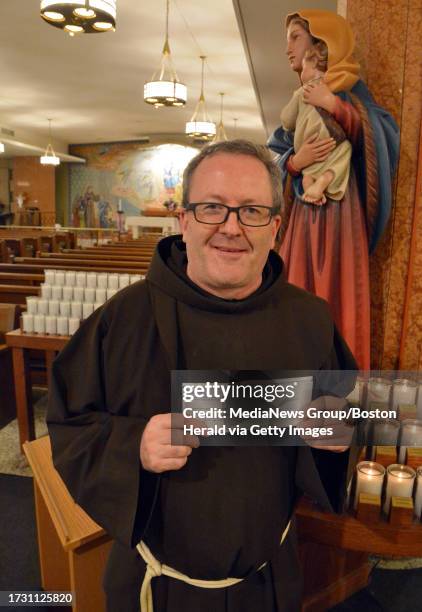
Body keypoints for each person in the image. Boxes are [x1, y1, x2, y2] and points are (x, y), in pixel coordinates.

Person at [47, 140, 358, 612]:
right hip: (156, 584)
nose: (231, 228)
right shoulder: (122, 319)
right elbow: (70, 427)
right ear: (184, 220)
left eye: (251, 210)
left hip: (269, 581)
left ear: (275, 226)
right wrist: (135, 446)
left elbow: (343, 419)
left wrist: (337, 435)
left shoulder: (310, 319)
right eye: (213, 207)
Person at [268, 10, 400, 370]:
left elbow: (381, 138)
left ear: (321, 43)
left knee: (337, 292)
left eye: (295, 37)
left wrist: (334, 106)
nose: (287, 49)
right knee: (296, 288)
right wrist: (296, 162)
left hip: (340, 209)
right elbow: (276, 157)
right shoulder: (296, 100)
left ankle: (337, 389)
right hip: (302, 216)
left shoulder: (349, 91)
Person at [280, 44, 351, 205]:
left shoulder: (302, 90)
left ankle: (309, 185)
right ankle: (323, 181)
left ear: (313, 66)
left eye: (304, 68)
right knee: (345, 149)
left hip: (306, 141)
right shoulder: (335, 87)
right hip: (331, 139)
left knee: (308, 171)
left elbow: (286, 121)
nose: (301, 73)